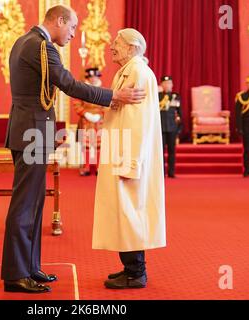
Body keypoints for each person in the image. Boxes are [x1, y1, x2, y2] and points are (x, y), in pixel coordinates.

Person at [2, 5, 146, 293]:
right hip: (33, 133)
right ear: (58, 20)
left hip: (29, 130)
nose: (72, 34)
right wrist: (113, 95)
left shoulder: (24, 41)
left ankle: (29, 267)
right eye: (71, 28)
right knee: (26, 204)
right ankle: (16, 274)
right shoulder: (42, 47)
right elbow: (68, 84)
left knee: (35, 202)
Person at [92, 28, 166, 289]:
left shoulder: (139, 72)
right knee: (123, 212)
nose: (111, 46)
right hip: (120, 151)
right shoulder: (126, 71)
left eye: (117, 43)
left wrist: (131, 161)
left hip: (129, 155)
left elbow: (140, 122)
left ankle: (136, 273)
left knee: (130, 212)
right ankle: (129, 267)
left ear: (133, 47)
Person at [74, 67, 106, 176]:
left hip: (99, 122)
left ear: (98, 77)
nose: (93, 79)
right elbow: (77, 104)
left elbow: (107, 106)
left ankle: (98, 167)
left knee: (98, 145)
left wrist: (100, 115)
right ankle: (86, 167)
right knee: (86, 145)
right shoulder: (82, 90)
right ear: (88, 78)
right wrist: (85, 113)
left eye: (95, 76)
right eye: (91, 77)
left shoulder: (103, 90)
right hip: (85, 121)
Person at [159, 75, 182, 178]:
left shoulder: (175, 96)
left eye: (169, 83)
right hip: (161, 128)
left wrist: (179, 128)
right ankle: (162, 173)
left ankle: (171, 172)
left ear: (172, 85)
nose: (167, 85)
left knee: (172, 151)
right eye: (165, 83)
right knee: (161, 151)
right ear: (161, 85)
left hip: (172, 127)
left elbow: (179, 113)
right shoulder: (157, 96)